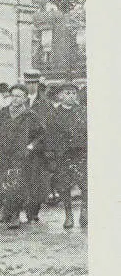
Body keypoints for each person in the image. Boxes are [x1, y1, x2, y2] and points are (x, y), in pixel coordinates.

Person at [0, 83, 45, 230]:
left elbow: (41, 134)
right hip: (4, 155)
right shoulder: (4, 112)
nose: (15, 99)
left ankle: (15, 216)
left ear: (25, 98)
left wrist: (31, 146)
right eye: (13, 96)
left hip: (20, 156)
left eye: (19, 96)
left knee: (16, 186)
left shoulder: (30, 115)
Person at [47, 82, 88, 228]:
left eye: (73, 93)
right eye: (67, 93)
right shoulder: (54, 114)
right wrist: (52, 155)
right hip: (63, 155)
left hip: (81, 153)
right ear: (60, 96)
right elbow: (50, 136)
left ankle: (84, 211)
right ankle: (68, 214)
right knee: (63, 186)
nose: (70, 96)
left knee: (85, 184)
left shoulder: (83, 111)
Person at [23, 69, 54, 222]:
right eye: (28, 83)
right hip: (20, 144)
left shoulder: (45, 103)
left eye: (33, 83)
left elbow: (47, 128)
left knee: (37, 180)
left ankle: (33, 211)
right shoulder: (20, 100)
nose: (31, 86)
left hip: (38, 147)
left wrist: (33, 144)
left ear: (38, 84)